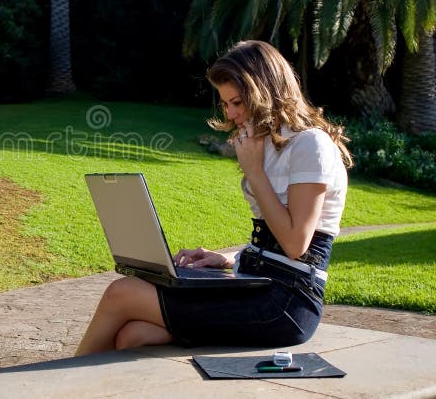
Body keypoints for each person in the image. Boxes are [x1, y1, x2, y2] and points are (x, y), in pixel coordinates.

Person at [75, 40, 352, 354]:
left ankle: (52, 386)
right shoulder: (267, 145)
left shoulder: (310, 145)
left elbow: (295, 244)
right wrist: (229, 259)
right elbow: (270, 240)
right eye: (225, 104)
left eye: (237, 102)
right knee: (134, 335)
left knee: (121, 294)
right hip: (255, 283)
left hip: (287, 303)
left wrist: (255, 173)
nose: (231, 113)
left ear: (264, 93)